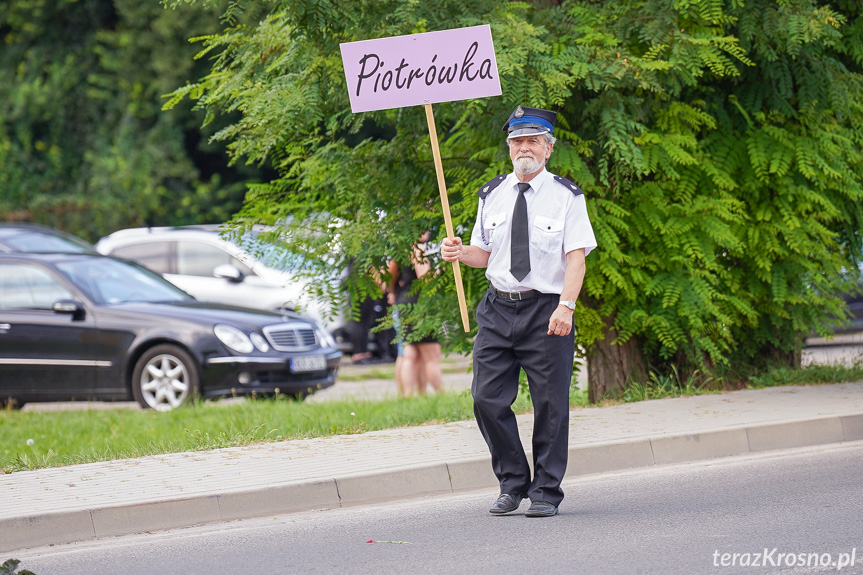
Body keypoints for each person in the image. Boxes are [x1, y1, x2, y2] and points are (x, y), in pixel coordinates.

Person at [440, 106, 597, 518]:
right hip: (498, 308)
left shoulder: (567, 197)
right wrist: (459, 253)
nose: (523, 148)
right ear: (508, 148)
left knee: (550, 404)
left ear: (548, 148)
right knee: (485, 399)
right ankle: (512, 483)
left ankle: (546, 489)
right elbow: (483, 254)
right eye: (516, 142)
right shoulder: (491, 194)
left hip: (546, 310)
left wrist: (566, 305)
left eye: (532, 141)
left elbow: (576, 259)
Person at [388, 233, 444, 395]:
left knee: (409, 352)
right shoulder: (418, 249)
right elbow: (425, 278)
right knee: (432, 356)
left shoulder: (401, 249)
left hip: (404, 302)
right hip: (420, 304)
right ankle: (441, 395)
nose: (426, 232)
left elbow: (389, 277)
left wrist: (394, 294)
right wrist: (442, 271)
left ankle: (408, 395)